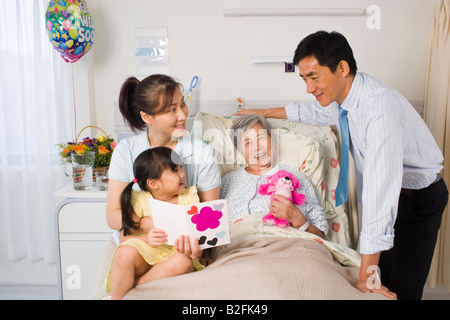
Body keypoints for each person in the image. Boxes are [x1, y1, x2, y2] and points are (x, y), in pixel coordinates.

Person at [235, 31, 448, 300]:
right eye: (304, 79)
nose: (309, 88)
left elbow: (379, 198)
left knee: (399, 290)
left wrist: (365, 276)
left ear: (342, 68)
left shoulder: (378, 112)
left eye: (314, 77)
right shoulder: (345, 98)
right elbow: (311, 111)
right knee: (383, 278)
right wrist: (263, 113)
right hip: (397, 196)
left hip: (418, 198)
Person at [90, 74, 221, 299]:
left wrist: (203, 249)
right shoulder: (126, 151)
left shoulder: (201, 152)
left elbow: (211, 221)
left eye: (183, 104)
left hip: (181, 248)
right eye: (171, 110)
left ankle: (133, 284)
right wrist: (158, 225)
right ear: (146, 117)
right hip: (136, 243)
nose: (183, 115)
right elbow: (113, 217)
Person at [107, 147, 204, 300]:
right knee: (124, 252)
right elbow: (124, 238)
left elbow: (199, 238)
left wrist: (194, 250)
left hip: (174, 257)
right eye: (175, 171)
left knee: (182, 263)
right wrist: (147, 239)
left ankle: (136, 284)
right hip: (145, 256)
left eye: (181, 168)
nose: (182, 174)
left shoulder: (189, 197)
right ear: (153, 184)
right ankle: (116, 297)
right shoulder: (140, 199)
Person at [220, 114, 329, 238]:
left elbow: (321, 236)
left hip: (290, 247)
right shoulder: (226, 183)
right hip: (240, 251)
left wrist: (298, 220)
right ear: (240, 150)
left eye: (260, 138)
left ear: (272, 139)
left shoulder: (296, 177)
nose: (257, 147)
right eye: (247, 143)